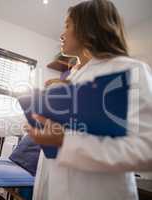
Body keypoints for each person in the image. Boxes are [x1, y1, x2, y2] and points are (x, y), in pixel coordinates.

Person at [25, 0, 152, 200]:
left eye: (67, 25)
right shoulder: (71, 79)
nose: (62, 33)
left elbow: (147, 149)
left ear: (88, 27)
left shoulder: (129, 71)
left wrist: (65, 141)